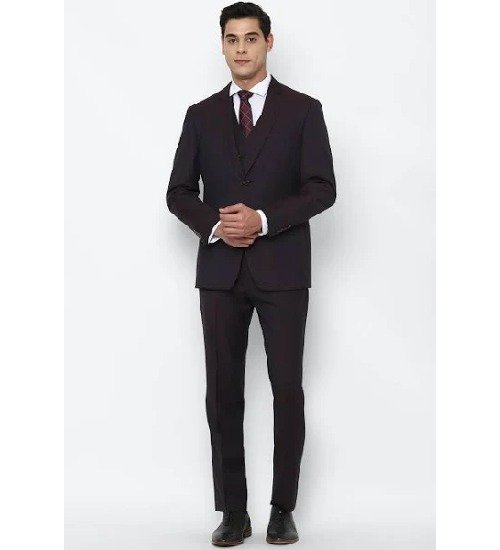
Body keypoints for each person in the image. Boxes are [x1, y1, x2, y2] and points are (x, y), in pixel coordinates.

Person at [166, 2, 336, 545]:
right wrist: (217, 225)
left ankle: (282, 508)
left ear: (268, 42)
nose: (241, 48)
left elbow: (322, 188)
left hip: (283, 271)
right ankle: (233, 512)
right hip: (220, 272)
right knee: (222, 393)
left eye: (251, 38)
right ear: (222, 45)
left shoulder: (303, 111)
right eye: (232, 39)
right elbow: (178, 192)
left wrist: (263, 220)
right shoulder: (200, 115)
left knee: (287, 390)